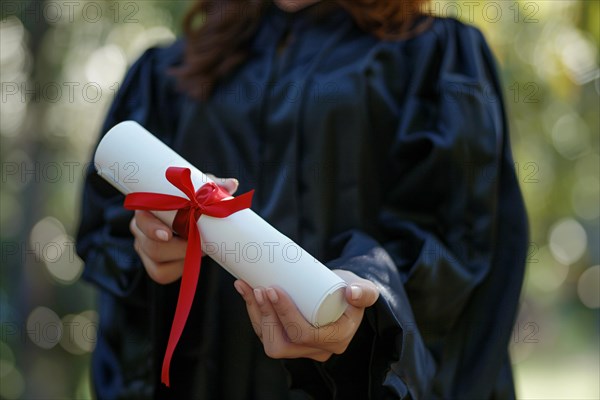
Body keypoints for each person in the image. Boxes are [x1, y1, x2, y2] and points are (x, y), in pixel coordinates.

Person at [76, 0, 528, 398]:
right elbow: (112, 242)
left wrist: (367, 302)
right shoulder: (170, 71)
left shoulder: (434, 55)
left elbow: (461, 244)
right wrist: (152, 248)